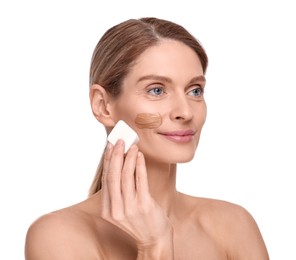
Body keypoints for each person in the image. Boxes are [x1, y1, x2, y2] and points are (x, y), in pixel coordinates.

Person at [25, 17, 269, 259]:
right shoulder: (58, 236)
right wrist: (155, 244)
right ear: (103, 106)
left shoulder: (234, 225)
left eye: (195, 90)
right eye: (157, 90)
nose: (185, 112)